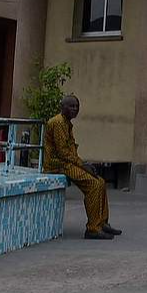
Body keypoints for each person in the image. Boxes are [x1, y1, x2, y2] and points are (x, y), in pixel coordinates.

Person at [44, 94, 119, 240]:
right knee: (93, 185)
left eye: (77, 106)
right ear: (62, 107)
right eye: (71, 106)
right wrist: (83, 165)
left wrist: (83, 164)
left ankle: (102, 222)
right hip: (58, 164)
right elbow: (63, 153)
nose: (75, 109)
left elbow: (69, 151)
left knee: (101, 182)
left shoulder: (67, 123)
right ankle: (92, 228)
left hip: (68, 162)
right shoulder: (58, 122)